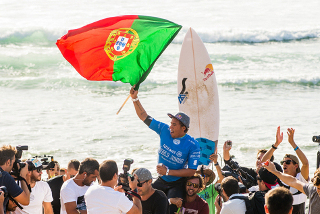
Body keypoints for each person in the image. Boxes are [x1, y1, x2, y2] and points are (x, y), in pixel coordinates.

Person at [130, 87, 200, 214]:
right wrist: (135, 98)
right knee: (143, 204)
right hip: (161, 180)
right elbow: (144, 116)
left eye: (174, 124)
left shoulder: (193, 144)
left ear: (183, 128)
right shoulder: (164, 129)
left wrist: (168, 171)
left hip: (177, 183)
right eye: (171, 123)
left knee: (171, 209)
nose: (170, 127)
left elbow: (192, 171)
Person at [261, 127, 309, 214]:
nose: (284, 164)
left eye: (287, 162)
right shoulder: (278, 176)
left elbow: (305, 163)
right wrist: (276, 144)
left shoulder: (301, 179)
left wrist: (292, 143)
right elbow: (264, 162)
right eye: (283, 162)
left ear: (296, 166)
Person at [0, 145, 30, 213]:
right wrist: (23, 176)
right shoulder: (5, 176)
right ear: (8, 162)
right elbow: (26, 201)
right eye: (13, 163)